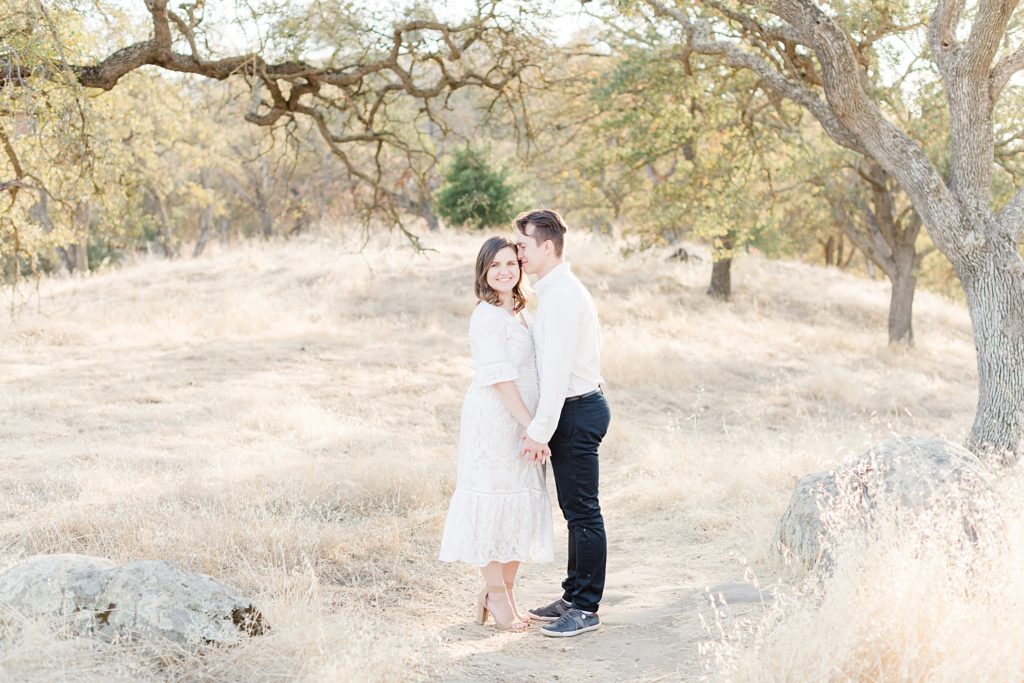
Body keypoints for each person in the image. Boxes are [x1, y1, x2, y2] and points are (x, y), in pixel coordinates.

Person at [439, 236, 554, 633]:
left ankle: (506, 592)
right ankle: (496, 596)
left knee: (518, 506)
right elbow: (502, 380)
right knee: (492, 504)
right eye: (494, 266)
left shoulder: (524, 314)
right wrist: (531, 426)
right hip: (496, 423)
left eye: (511, 263)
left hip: (524, 422)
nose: (504, 271)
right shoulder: (486, 316)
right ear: (483, 273)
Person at [515, 209, 611, 638]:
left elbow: (555, 377)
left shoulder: (561, 298)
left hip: (576, 409)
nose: (518, 254)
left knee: (583, 512)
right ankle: (573, 595)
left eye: (524, 246)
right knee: (574, 511)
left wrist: (538, 430)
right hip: (572, 407)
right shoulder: (553, 293)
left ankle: (586, 609)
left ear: (547, 246)